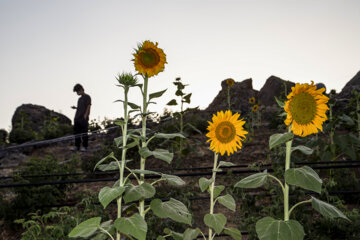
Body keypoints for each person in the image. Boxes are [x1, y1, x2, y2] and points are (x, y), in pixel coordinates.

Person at [71, 84, 91, 151]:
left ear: (81, 89)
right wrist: (75, 108)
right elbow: (80, 108)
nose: (77, 93)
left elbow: (88, 106)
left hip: (83, 118)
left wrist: (86, 115)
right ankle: (77, 146)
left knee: (84, 132)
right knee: (77, 133)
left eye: (77, 91)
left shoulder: (87, 97)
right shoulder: (79, 99)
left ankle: (84, 147)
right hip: (77, 118)